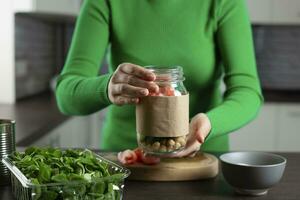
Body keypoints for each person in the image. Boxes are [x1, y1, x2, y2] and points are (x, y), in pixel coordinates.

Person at [56, 0, 263, 157]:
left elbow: (248, 91)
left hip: (202, 155)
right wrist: (108, 86)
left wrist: (210, 123)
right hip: (127, 157)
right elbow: (66, 96)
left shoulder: (223, 3)